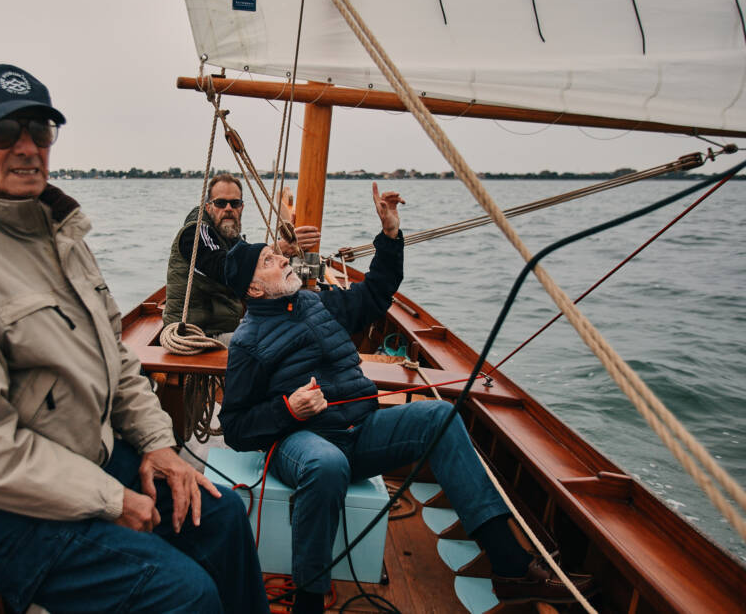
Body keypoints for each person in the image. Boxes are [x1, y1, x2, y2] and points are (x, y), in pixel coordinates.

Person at [0, 64, 268, 614]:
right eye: (5, 131)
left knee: (223, 520)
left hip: (77, 456)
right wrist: (110, 499)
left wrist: (157, 444)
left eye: (40, 130)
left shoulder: (54, 233)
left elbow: (115, 359)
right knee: (185, 595)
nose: (28, 147)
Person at [219, 183, 595, 614]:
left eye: (277, 254)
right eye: (270, 260)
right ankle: (309, 601)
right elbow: (235, 428)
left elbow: (376, 293)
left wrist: (390, 235)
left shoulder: (315, 302)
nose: (284, 259)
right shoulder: (247, 342)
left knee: (440, 416)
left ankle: (510, 567)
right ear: (253, 290)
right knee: (327, 464)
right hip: (302, 442)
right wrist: (289, 408)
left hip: (361, 430)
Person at [163, 174, 320, 342]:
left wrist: (284, 245)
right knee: (296, 340)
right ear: (208, 207)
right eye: (220, 203)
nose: (228, 208)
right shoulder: (195, 234)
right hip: (199, 332)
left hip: (224, 323)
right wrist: (279, 247)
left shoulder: (227, 231)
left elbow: (246, 260)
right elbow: (225, 268)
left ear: (242, 207)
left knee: (299, 326)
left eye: (235, 203)